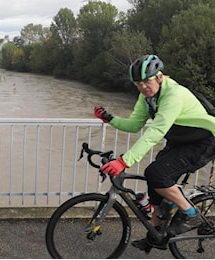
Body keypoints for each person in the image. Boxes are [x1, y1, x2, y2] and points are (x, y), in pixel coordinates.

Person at [94, 54, 215, 251]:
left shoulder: (174, 95)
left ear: (159, 77)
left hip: (204, 140)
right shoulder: (147, 97)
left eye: (146, 81)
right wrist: (109, 118)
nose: (142, 87)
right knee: (155, 180)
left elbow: (156, 131)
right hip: (182, 140)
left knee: (157, 174)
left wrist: (124, 162)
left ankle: (191, 213)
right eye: (137, 84)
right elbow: (134, 125)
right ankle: (157, 235)